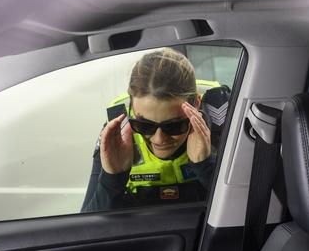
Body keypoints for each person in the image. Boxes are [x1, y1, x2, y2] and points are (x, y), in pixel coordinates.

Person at [81, 48, 222, 213]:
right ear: (131, 106)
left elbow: (247, 215)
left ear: (196, 103)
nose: (159, 139)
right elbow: (87, 227)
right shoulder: (116, 133)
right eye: (144, 125)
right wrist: (112, 179)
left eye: (173, 126)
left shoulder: (223, 121)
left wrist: (205, 165)